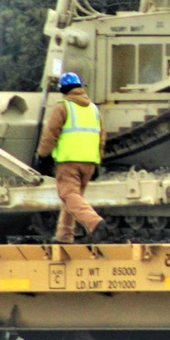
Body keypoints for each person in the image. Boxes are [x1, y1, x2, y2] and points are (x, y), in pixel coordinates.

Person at [35, 71, 109, 244]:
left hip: (68, 161)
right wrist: (98, 161)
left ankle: (95, 223)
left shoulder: (63, 107)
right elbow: (101, 137)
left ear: (63, 89)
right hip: (89, 162)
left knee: (69, 195)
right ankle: (64, 235)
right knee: (73, 199)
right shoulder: (94, 109)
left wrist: (43, 157)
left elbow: (50, 134)